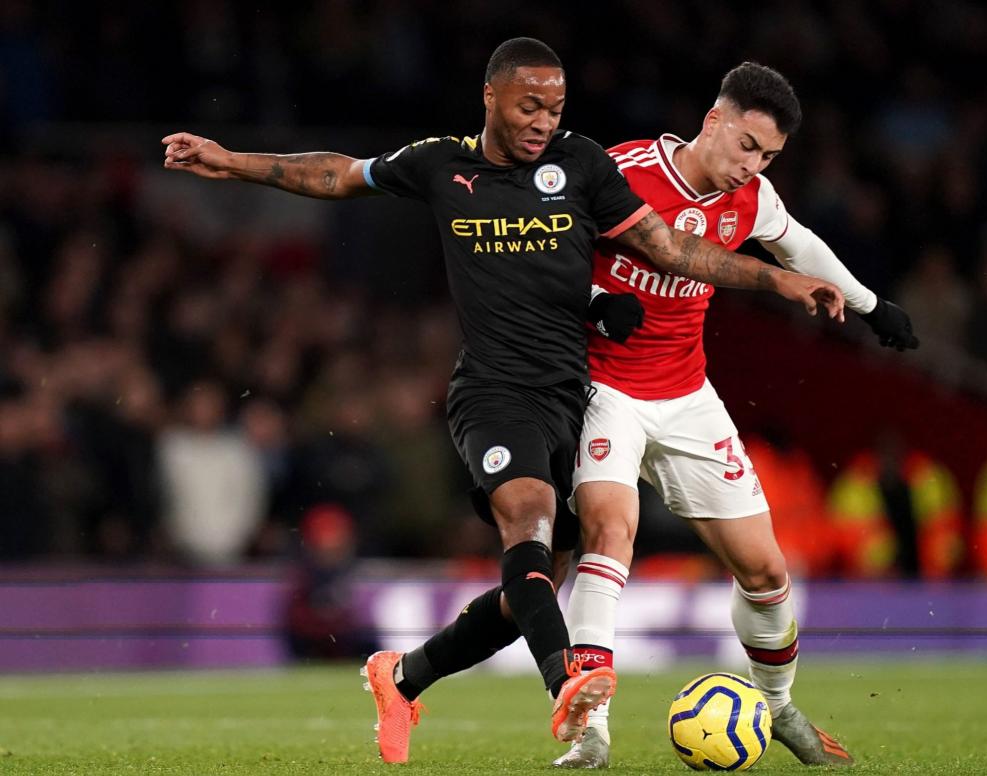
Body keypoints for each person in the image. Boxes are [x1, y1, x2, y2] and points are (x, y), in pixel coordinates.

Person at [162, 39, 844, 764]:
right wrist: (232, 161)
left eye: (554, 108)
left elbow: (671, 249)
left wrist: (776, 280)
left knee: (534, 590)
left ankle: (402, 674)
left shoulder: (582, 163)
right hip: (494, 392)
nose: (543, 122)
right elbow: (337, 174)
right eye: (529, 106)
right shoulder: (439, 163)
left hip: (579, 394)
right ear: (490, 97)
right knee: (530, 523)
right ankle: (569, 688)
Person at [553, 62, 919, 769]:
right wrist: (595, 305)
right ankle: (590, 725)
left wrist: (872, 307)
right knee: (610, 529)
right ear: (713, 121)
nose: (751, 166)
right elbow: (551, 261)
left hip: (687, 393)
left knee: (765, 570)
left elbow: (799, 245)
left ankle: (776, 705)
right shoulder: (621, 172)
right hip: (604, 388)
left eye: (769, 157)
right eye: (747, 146)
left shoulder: (751, 199)